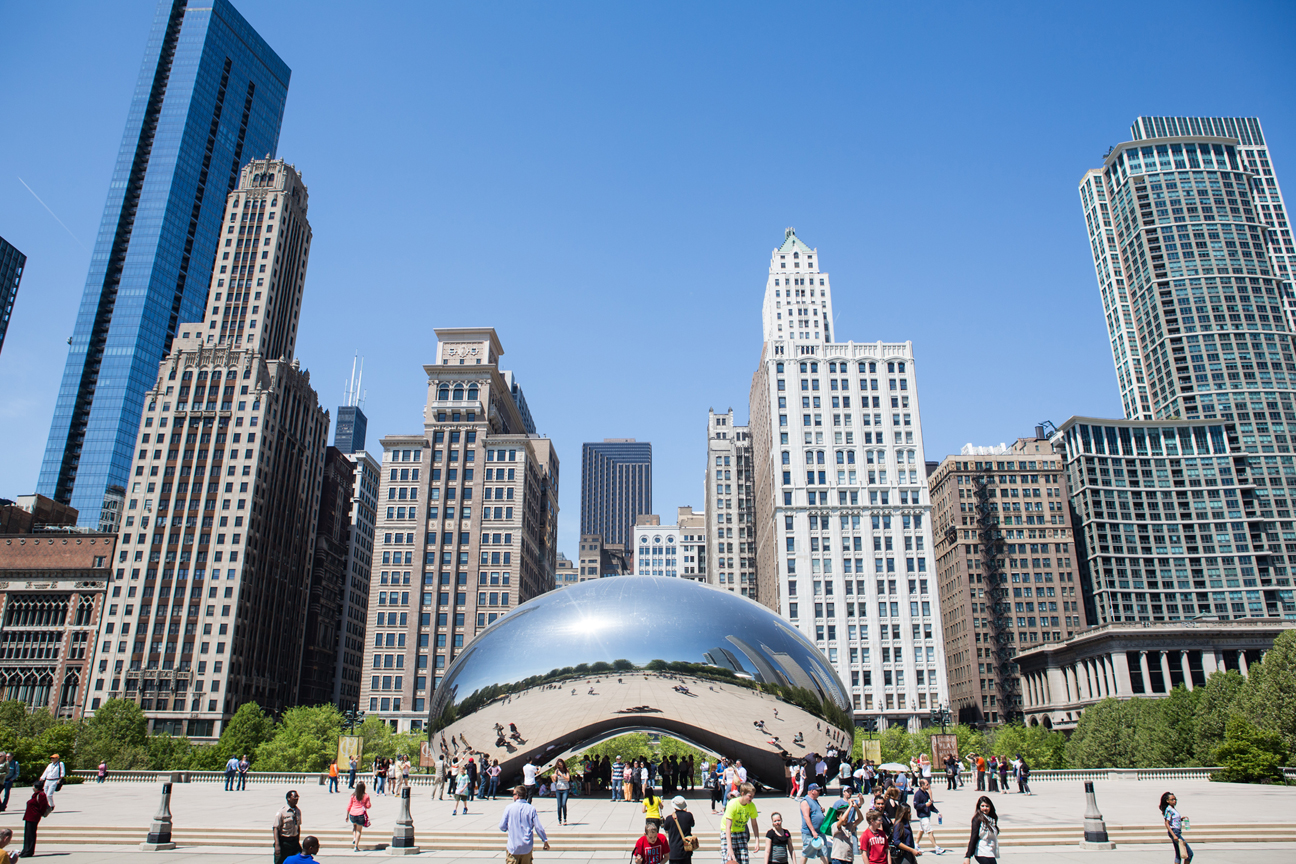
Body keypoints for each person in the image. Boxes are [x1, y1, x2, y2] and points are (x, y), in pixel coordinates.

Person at [500, 785, 550, 864]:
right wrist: (544, 840)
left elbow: (502, 826)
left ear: (517, 796)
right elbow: (538, 827)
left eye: (513, 794)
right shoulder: (531, 809)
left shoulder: (509, 808)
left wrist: (508, 827)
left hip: (513, 846)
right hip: (527, 846)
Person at [722, 783, 761, 864]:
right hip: (729, 832)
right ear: (742, 794)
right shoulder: (733, 804)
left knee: (744, 859)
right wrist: (730, 848)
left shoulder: (751, 806)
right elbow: (728, 827)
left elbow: (754, 824)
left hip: (741, 831)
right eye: (750, 796)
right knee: (729, 858)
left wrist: (757, 840)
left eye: (753, 796)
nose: (751, 799)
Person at [960, 796, 998, 864]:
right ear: (979, 807)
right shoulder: (977, 819)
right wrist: (968, 856)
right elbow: (973, 837)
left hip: (990, 850)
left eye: (987, 806)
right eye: (982, 806)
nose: (985, 808)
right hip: (981, 850)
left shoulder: (992, 819)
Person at [912, 779, 945, 855]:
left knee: (921, 830)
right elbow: (916, 806)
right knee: (929, 831)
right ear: (922, 785)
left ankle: (915, 844)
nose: (928, 786)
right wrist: (925, 805)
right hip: (922, 816)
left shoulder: (926, 793)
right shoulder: (918, 794)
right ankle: (936, 847)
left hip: (927, 815)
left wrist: (937, 812)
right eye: (926, 784)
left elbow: (931, 805)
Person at [828, 792, 863, 864]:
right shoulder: (835, 825)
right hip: (838, 858)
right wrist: (850, 806)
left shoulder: (849, 825)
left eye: (847, 817)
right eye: (844, 816)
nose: (846, 819)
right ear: (838, 817)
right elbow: (842, 820)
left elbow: (860, 819)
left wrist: (856, 807)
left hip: (848, 858)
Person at [1159, 792, 1191, 864]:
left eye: (1175, 799)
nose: (1174, 801)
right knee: (1189, 854)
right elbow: (1166, 823)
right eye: (1172, 799)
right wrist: (1174, 835)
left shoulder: (1172, 809)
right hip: (1175, 832)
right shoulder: (1169, 810)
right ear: (1167, 801)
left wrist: (1181, 819)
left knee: (1178, 854)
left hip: (1177, 831)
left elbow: (1173, 820)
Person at [797, 783, 826, 864]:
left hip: (820, 832)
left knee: (824, 853)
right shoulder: (805, 801)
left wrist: (821, 810)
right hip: (809, 833)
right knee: (806, 852)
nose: (819, 792)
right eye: (818, 791)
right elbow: (806, 817)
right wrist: (813, 831)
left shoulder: (815, 800)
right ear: (812, 791)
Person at [272, 790, 303, 864]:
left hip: (294, 842)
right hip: (284, 842)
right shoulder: (282, 812)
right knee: (280, 861)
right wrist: (277, 845)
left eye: (297, 797)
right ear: (288, 798)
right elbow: (276, 828)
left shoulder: (298, 811)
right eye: (294, 796)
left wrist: (297, 839)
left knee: (299, 859)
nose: (296, 798)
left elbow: (298, 826)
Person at [19, 782, 48, 861]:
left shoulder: (41, 795)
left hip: (34, 816)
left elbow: (43, 806)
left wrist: (39, 813)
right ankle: (25, 849)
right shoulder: (35, 795)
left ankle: (29, 851)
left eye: (33, 786)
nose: (32, 787)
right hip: (29, 816)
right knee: (27, 834)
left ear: (36, 787)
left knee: (31, 834)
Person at [665, 796, 697, 864]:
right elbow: (692, 824)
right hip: (686, 850)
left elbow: (666, 828)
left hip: (674, 852)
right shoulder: (689, 816)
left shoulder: (669, 818)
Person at [347, 781, 372, 852]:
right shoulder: (366, 796)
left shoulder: (353, 796)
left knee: (354, 827)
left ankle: (354, 838)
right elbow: (368, 806)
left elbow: (349, 805)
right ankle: (356, 846)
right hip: (360, 814)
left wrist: (347, 815)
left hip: (352, 814)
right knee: (359, 830)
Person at [554, 759, 571, 825]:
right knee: (559, 805)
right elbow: (554, 780)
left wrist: (562, 775)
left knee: (563, 804)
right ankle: (559, 819)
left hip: (565, 788)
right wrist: (554, 777)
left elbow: (568, 779)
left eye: (561, 765)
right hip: (558, 788)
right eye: (559, 765)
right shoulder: (556, 771)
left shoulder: (566, 770)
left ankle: (565, 819)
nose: (560, 766)